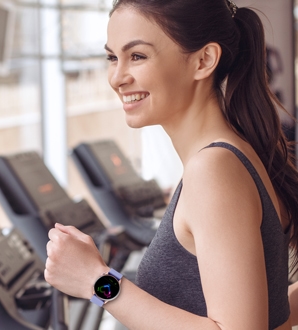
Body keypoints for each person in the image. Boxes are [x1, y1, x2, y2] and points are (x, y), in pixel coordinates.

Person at [44, 0, 298, 329]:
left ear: (203, 61)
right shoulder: (230, 155)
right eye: (112, 57)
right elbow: (264, 311)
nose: (117, 77)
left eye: (137, 56)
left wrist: (96, 282)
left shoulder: (213, 169)